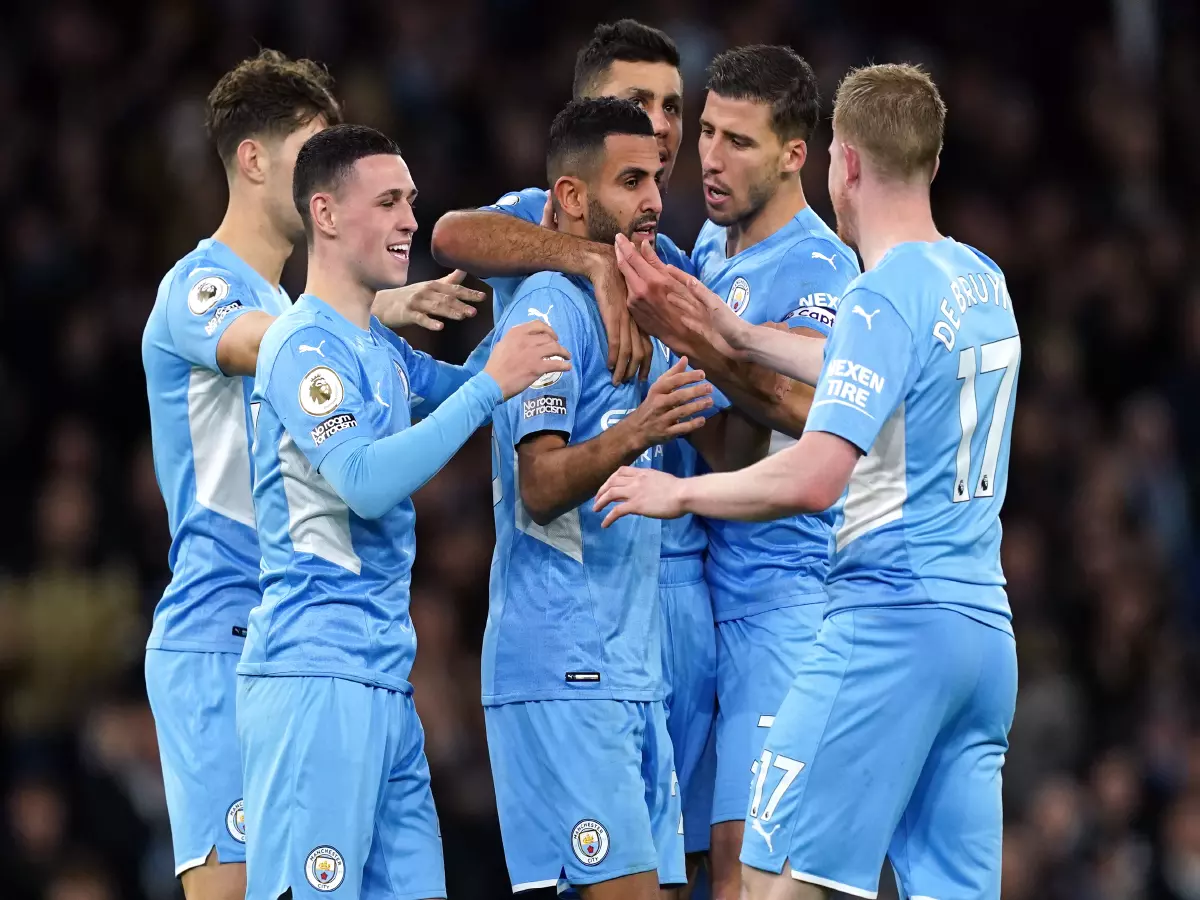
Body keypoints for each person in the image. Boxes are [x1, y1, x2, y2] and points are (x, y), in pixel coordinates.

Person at [596, 63, 1020, 900]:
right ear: (930, 165)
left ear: (843, 166)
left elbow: (819, 476)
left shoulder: (876, 293)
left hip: (888, 623)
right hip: (984, 636)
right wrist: (737, 334)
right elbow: (866, 364)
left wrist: (678, 493)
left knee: (771, 878)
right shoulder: (980, 279)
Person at [141, 50, 488, 900]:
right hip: (218, 622)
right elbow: (280, 347)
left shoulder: (306, 307)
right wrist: (369, 307)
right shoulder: (201, 288)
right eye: (313, 148)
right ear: (255, 161)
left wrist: (369, 311)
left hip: (296, 622)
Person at [236, 123, 569, 900]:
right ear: (324, 214)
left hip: (384, 678)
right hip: (314, 674)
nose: (410, 221)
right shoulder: (300, 347)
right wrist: (493, 381)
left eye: (411, 202)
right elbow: (363, 479)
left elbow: (472, 384)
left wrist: (547, 271)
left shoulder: (379, 349)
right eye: (387, 201)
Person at [484, 97, 749, 900]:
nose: (651, 202)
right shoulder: (547, 310)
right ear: (569, 197)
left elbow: (729, 449)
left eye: (656, 180)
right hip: (562, 664)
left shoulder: (651, 305)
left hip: (632, 669)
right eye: (629, 181)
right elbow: (539, 487)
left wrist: (709, 345)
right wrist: (640, 430)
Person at [621, 45, 859, 900]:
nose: (710, 158)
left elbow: (810, 413)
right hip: (704, 607)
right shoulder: (707, 250)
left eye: (740, 142)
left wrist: (698, 340)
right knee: (681, 871)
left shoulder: (824, 269)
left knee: (752, 878)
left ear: (797, 154)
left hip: (782, 605)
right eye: (708, 131)